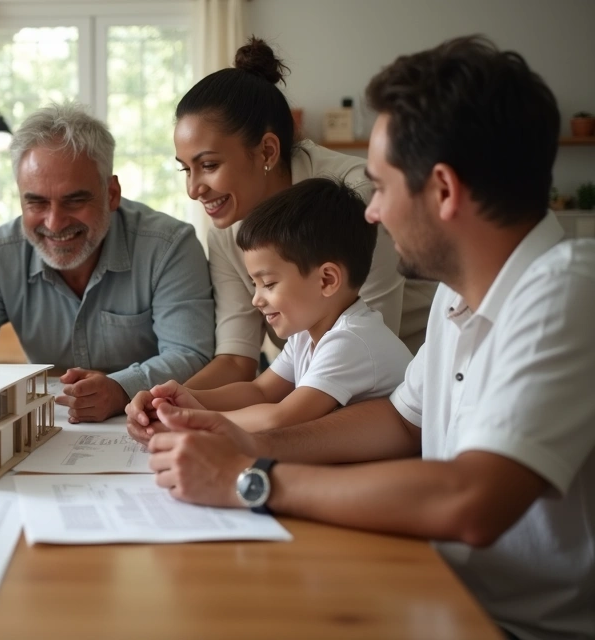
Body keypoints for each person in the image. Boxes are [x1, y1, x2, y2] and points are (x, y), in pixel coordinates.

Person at [144, 37, 595, 640]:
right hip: (441, 590)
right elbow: (399, 423)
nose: (373, 213)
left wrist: (246, 480)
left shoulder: (565, 292)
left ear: (442, 190)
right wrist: (240, 440)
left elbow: (472, 500)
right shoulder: (457, 297)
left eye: (380, 187)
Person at [0, 103, 214, 423]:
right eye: (36, 202)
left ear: (111, 193)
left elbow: (192, 354)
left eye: (74, 200)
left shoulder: (168, 246)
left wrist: (120, 388)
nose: (54, 224)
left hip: (152, 425)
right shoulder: (0, 254)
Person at [174, 37, 436, 391]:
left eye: (208, 165)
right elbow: (237, 359)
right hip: (310, 381)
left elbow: (367, 343)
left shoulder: (356, 198)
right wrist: (170, 401)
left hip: (406, 381)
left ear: (267, 151)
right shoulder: (224, 231)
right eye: (185, 170)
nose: (193, 189)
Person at [129, 178, 410, 437]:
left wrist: (188, 419)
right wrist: (181, 397)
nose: (256, 300)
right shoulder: (307, 332)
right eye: (254, 284)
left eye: (268, 283)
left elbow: (280, 418)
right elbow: (260, 391)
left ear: (327, 280)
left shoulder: (351, 340)